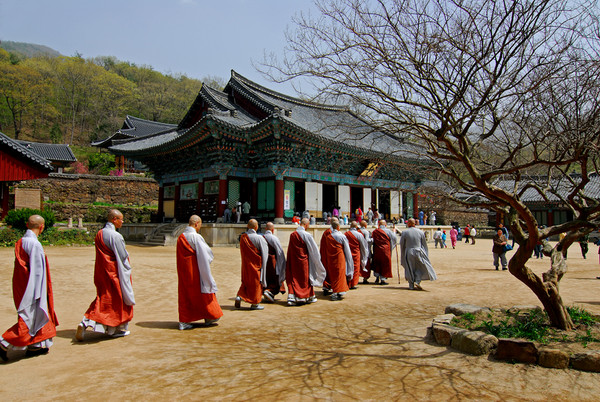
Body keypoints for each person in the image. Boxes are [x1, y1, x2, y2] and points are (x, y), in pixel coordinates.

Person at [0, 215, 58, 361]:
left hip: (22, 284)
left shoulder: (21, 241)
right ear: (42, 227)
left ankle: (35, 346)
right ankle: (3, 343)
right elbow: (37, 271)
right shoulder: (34, 244)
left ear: (27, 225)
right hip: (32, 288)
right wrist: (40, 293)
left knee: (34, 317)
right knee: (30, 318)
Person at [76, 209, 134, 341]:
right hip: (114, 273)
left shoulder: (100, 233)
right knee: (115, 301)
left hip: (102, 271)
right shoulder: (116, 236)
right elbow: (123, 255)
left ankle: (87, 323)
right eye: (121, 219)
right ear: (114, 219)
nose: (122, 222)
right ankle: (109, 328)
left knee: (102, 298)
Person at [176, 215, 223, 330]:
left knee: (186, 295)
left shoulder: (181, 237)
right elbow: (206, 255)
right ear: (197, 223)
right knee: (204, 293)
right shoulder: (196, 237)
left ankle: (185, 320)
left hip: (185, 272)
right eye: (200, 224)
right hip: (196, 271)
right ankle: (209, 316)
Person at [286, 218, 326, 305]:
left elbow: (290, 249)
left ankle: (293, 297)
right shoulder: (307, 235)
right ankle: (305, 296)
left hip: (294, 260)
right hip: (304, 261)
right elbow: (314, 250)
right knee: (305, 278)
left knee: (294, 278)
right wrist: (317, 260)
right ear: (306, 225)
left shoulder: (292, 235)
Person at [235, 219, 268, 310]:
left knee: (246, 282)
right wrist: (264, 266)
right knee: (256, 284)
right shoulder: (259, 238)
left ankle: (240, 296)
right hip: (256, 265)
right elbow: (265, 253)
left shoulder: (243, 238)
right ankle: (255, 303)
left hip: (246, 265)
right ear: (256, 227)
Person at [400, 218, 437, 290]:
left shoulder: (405, 232)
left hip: (409, 251)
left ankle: (411, 284)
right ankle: (417, 280)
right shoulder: (420, 232)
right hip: (419, 250)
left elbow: (402, 244)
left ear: (409, 223)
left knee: (410, 267)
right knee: (420, 267)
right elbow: (424, 245)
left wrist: (403, 254)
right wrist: (426, 254)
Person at [321, 221, 354, 300]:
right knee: (339, 274)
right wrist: (349, 261)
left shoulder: (328, 237)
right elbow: (347, 250)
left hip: (331, 259)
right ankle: (336, 293)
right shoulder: (341, 236)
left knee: (333, 274)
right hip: (340, 258)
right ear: (338, 227)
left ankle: (336, 291)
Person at [262, 222, 286, 303]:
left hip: (263, 261)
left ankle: (266, 291)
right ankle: (270, 291)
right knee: (274, 278)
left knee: (265, 276)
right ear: (273, 230)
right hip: (272, 261)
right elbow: (280, 252)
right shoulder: (274, 238)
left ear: (265, 229)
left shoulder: (261, 237)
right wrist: (282, 264)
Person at [371, 219, 398, 285]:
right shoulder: (388, 231)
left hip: (377, 250)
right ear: (385, 225)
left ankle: (377, 277)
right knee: (385, 264)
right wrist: (391, 247)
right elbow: (394, 239)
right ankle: (383, 279)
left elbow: (372, 240)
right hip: (386, 250)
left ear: (378, 225)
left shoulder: (375, 231)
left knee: (377, 263)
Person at [345, 221, 368, 289]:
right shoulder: (359, 234)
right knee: (355, 268)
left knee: (348, 267)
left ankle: (348, 282)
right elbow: (363, 246)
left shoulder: (346, 234)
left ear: (350, 226)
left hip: (347, 253)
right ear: (356, 226)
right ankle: (353, 283)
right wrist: (364, 255)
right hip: (356, 253)